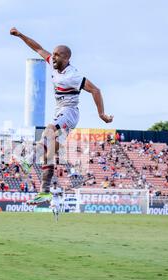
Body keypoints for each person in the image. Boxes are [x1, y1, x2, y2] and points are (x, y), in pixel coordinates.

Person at [10, 27, 113, 204]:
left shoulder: (73, 75)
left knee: (48, 131)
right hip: (60, 112)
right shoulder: (53, 63)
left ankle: (28, 160)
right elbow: (37, 48)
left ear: (66, 58)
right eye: (54, 54)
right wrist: (20, 35)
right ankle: (45, 191)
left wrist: (101, 114)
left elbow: (95, 90)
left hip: (69, 112)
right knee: (50, 149)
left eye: (57, 54)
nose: (53, 56)